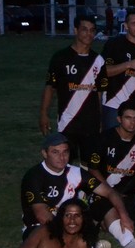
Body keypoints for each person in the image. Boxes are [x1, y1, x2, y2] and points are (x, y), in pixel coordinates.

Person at [21, 133, 135, 248]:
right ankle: (86, 246)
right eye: (55, 152)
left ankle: (128, 242)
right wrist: (69, 233)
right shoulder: (34, 176)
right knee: (42, 247)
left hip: (71, 221)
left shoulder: (76, 172)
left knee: (103, 202)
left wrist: (124, 216)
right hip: (41, 226)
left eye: (65, 152)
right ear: (44, 153)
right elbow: (42, 215)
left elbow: (109, 192)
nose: (61, 157)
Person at [39, 14, 106, 167]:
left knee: (89, 165)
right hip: (68, 121)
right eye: (84, 29)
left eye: (92, 30)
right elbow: (50, 87)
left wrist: (100, 120)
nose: (88, 34)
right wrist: (43, 114)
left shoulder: (98, 61)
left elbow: (99, 93)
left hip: (91, 123)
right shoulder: (60, 58)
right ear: (76, 30)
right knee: (64, 162)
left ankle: (84, 184)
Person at [100, 8, 135, 130]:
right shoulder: (114, 44)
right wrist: (129, 64)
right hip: (114, 105)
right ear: (126, 26)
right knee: (112, 140)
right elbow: (103, 72)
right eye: (134, 23)